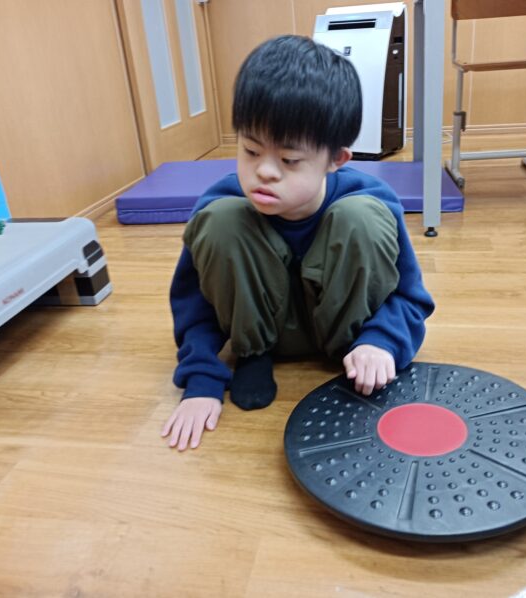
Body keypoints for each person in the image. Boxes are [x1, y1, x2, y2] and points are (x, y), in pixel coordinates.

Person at [162, 35, 434, 451]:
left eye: (289, 160)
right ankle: (255, 354)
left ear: (336, 159)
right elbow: (194, 305)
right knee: (221, 219)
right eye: (251, 151)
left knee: (362, 218)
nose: (265, 171)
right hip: (259, 334)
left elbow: (411, 297)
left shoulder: (370, 200)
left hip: (346, 338)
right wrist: (201, 380)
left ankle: (353, 351)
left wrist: (381, 341)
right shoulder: (221, 203)